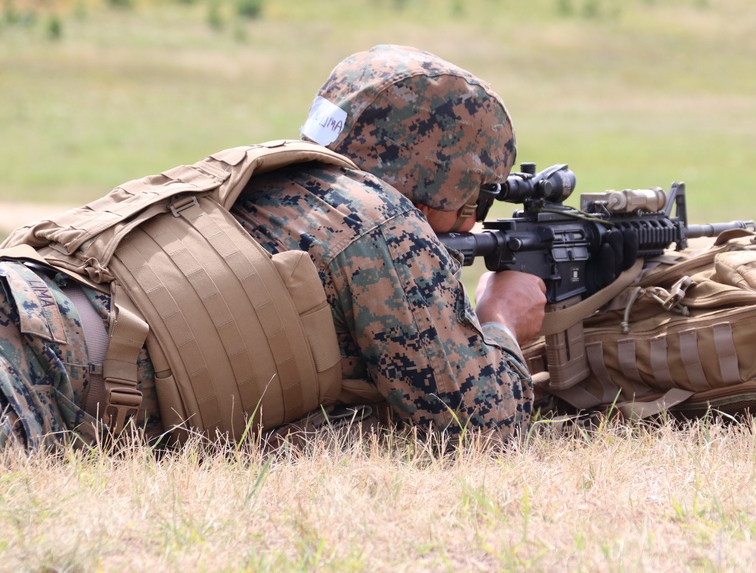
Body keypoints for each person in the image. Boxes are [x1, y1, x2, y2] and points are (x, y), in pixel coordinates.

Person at [0, 44, 548, 452]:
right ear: (442, 181)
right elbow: (479, 428)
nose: (470, 219)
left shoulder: (260, 176)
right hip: (41, 369)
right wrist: (500, 319)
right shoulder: (378, 221)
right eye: (473, 199)